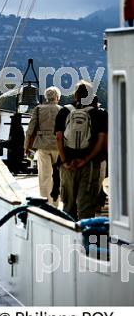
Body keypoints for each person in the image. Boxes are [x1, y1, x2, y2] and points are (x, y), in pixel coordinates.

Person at [55, 81, 108, 220]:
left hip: (67, 165)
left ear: (76, 95)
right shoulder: (100, 114)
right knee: (86, 206)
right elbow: (103, 141)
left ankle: (68, 236)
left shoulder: (64, 111)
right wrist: (86, 160)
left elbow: (59, 138)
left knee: (68, 206)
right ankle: (86, 239)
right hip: (90, 166)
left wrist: (65, 161)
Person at [25, 86, 61, 206]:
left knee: (45, 176)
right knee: (57, 176)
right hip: (59, 145)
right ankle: (56, 203)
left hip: (43, 145)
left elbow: (30, 130)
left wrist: (27, 147)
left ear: (46, 97)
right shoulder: (62, 110)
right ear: (57, 97)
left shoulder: (38, 109)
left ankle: (46, 203)